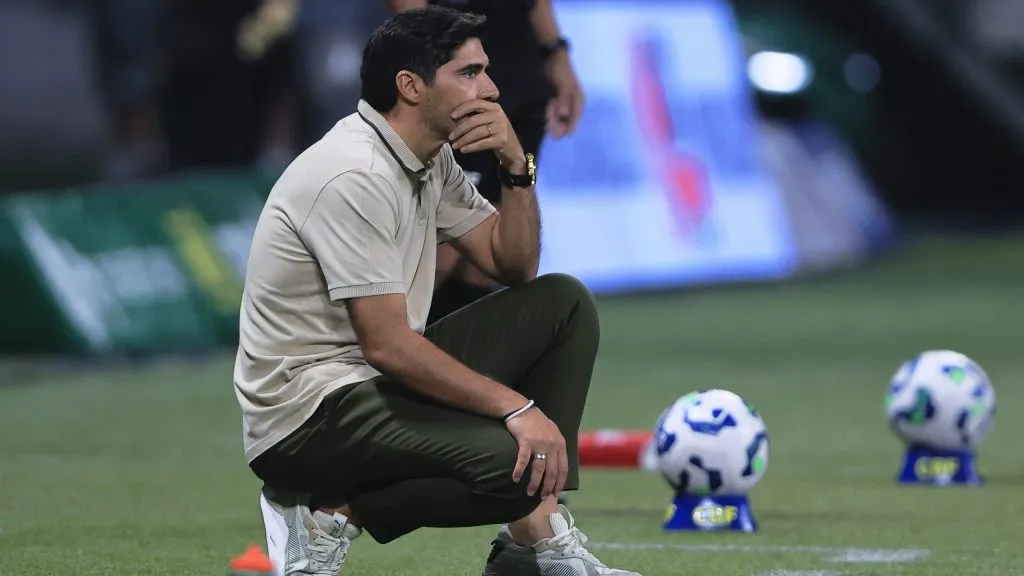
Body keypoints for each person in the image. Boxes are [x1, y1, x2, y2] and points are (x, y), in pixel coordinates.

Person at [235, 6, 640, 576]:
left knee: (562, 304)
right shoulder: (356, 174)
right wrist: (517, 407)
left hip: (370, 387)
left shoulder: (431, 157)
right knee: (513, 468)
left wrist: (514, 166)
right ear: (410, 86)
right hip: (307, 417)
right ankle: (323, 510)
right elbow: (387, 345)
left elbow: (514, 265)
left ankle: (531, 543)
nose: (492, 89)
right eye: (470, 73)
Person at [387, 0, 585, 326]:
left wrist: (557, 53)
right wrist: (430, 65)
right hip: (452, 62)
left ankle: (442, 370)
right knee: (442, 251)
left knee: (492, 256)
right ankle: (369, 363)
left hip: (522, 67)